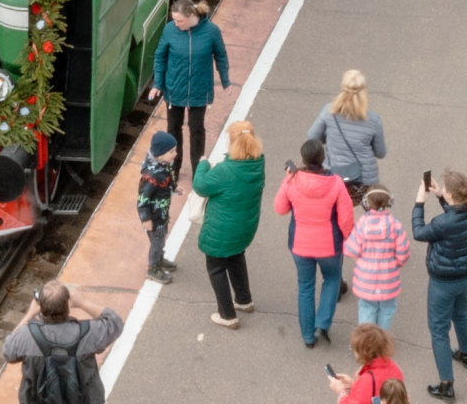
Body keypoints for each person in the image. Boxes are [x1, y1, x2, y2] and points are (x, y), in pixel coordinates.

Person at [2, 281, 124, 404]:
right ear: (68, 306)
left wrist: (30, 312)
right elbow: (115, 322)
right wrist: (82, 302)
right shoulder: (88, 332)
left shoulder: (26, 336)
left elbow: (8, 351)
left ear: (42, 309)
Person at [275, 137, 357, 348]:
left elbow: (280, 209)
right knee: (331, 279)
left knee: (305, 287)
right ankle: (322, 323)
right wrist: (349, 239)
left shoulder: (292, 180)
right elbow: (345, 218)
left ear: (303, 159)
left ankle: (308, 337)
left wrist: (286, 180)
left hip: (300, 245)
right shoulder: (336, 182)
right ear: (323, 159)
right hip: (329, 245)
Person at [191, 120, 267, 329]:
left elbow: (200, 186)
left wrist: (203, 164)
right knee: (236, 257)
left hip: (222, 231)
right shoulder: (258, 164)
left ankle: (227, 315)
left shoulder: (225, 170)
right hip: (245, 228)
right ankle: (244, 299)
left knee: (216, 267)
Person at [413, 169, 467, 401]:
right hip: (466, 275)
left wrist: (420, 203)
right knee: (461, 313)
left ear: (452, 194)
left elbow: (419, 232)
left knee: (439, 330)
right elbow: (455, 218)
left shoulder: (441, 223)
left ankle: (446, 385)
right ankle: (465, 353)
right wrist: (441, 196)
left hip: (443, 282)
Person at [151, 0, 230, 175]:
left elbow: (221, 55)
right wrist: (157, 84)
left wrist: (225, 80)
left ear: (192, 15)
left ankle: (198, 172)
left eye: (180, 21)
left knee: (197, 130)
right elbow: (160, 56)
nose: (176, 24)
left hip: (199, 90)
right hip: (174, 90)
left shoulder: (211, 31)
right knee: (173, 130)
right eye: (174, 20)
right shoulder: (170, 30)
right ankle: (174, 169)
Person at [309, 69, 388, 197]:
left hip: (333, 176)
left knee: (336, 211)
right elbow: (381, 153)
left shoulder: (329, 111)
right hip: (363, 181)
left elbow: (312, 137)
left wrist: (329, 138)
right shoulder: (373, 120)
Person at [343, 188, 412, 331]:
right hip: (388, 280)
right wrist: (397, 263)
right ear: (388, 203)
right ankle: (382, 340)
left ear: (366, 203)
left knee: (367, 308)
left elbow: (350, 250)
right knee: (387, 309)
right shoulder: (396, 225)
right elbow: (403, 254)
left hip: (366, 280)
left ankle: (366, 343)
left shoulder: (361, 224)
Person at [328, 323, 405, 404]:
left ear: (362, 352)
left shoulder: (367, 379)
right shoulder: (394, 367)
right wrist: (355, 385)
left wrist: (341, 391)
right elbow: (378, 392)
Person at [135, 129, 179, 281]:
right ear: (160, 154)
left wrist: (173, 187)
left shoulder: (164, 164)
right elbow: (142, 199)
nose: (175, 154)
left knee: (160, 239)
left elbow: (168, 178)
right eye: (172, 151)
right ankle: (153, 268)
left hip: (162, 213)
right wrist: (146, 219)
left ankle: (159, 259)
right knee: (157, 241)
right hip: (155, 216)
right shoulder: (152, 176)